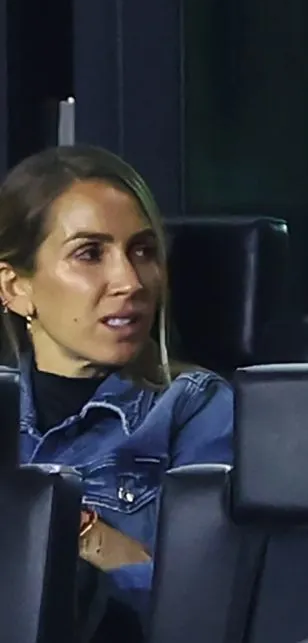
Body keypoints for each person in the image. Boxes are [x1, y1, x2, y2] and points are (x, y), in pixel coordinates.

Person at [0, 145, 234, 635]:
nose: (130, 282)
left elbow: (206, 608)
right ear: (15, 287)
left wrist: (74, 530)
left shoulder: (195, 408)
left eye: (143, 251)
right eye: (90, 254)